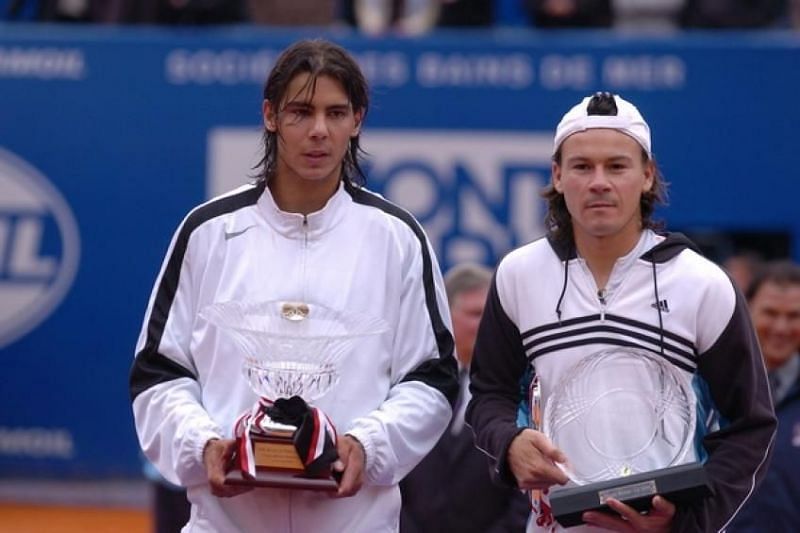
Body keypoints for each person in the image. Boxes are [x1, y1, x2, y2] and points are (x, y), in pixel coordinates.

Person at [129, 38, 459, 532]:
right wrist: (203, 446)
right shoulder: (208, 232)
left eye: (336, 112)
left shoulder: (397, 238)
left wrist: (368, 446)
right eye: (301, 112)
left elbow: (433, 378)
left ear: (357, 120)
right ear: (270, 116)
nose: (319, 131)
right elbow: (158, 373)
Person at [466, 92, 777, 533]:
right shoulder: (518, 274)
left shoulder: (703, 283)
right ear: (557, 175)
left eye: (616, 166)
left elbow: (751, 428)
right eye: (581, 166)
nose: (598, 182)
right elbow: (488, 394)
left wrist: (687, 523)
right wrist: (509, 443)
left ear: (647, 176)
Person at [400, 263, 529, 533]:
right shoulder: (411, 384)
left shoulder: (524, 391)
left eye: (493, 316)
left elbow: (527, 492)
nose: (486, 325)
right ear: (447, 316)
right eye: (475, 314)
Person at [728, 260, 800, 532]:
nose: (781, 328)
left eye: (794, 316)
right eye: (770, 313)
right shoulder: (715, 387)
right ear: (748, 310)